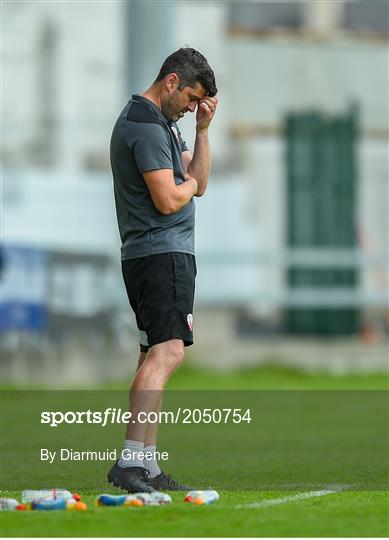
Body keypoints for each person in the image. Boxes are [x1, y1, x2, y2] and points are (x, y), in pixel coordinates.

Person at [108, 48, 218, 493]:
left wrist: (203, 129)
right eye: (191, 99)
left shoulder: (166, 126)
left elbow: (200, 182)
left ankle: (145, 465)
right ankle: (131, 461)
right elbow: (171, 198)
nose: (192, 107)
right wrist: (187, 185)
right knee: (168, 352)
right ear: (171, 81)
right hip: (161, 255)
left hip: (154, 255)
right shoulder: (146, 126)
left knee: (153, 353)